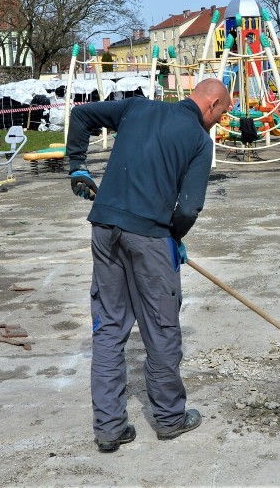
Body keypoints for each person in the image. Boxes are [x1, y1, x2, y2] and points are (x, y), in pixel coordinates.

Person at [66, 78, 233, 453]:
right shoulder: (199, 140)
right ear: (212, 104)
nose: (219, 121)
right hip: (149, 237)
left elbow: (80, 115)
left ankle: (109, 428)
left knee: (109, 326)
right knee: (160, 327)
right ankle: (170, 419)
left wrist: (77, 164)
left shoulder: (137, 107)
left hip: (104, 228)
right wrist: (173, 238)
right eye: (222, 113)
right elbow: (189, 207)